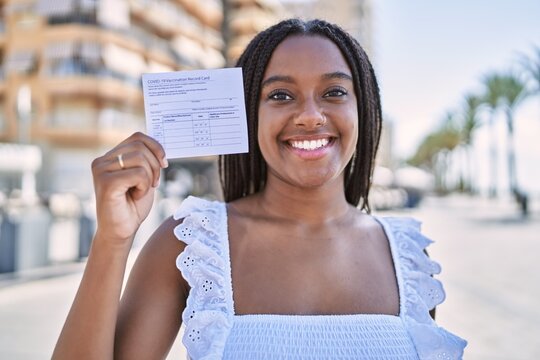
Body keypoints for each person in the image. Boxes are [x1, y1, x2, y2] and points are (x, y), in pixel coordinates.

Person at [53, 19, 467, 359]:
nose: (309, 115)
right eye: (281, 95)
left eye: (334, 92)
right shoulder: (193, 245)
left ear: (364, 110)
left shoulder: (409, 259)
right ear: (248, 113)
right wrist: (112, 239)